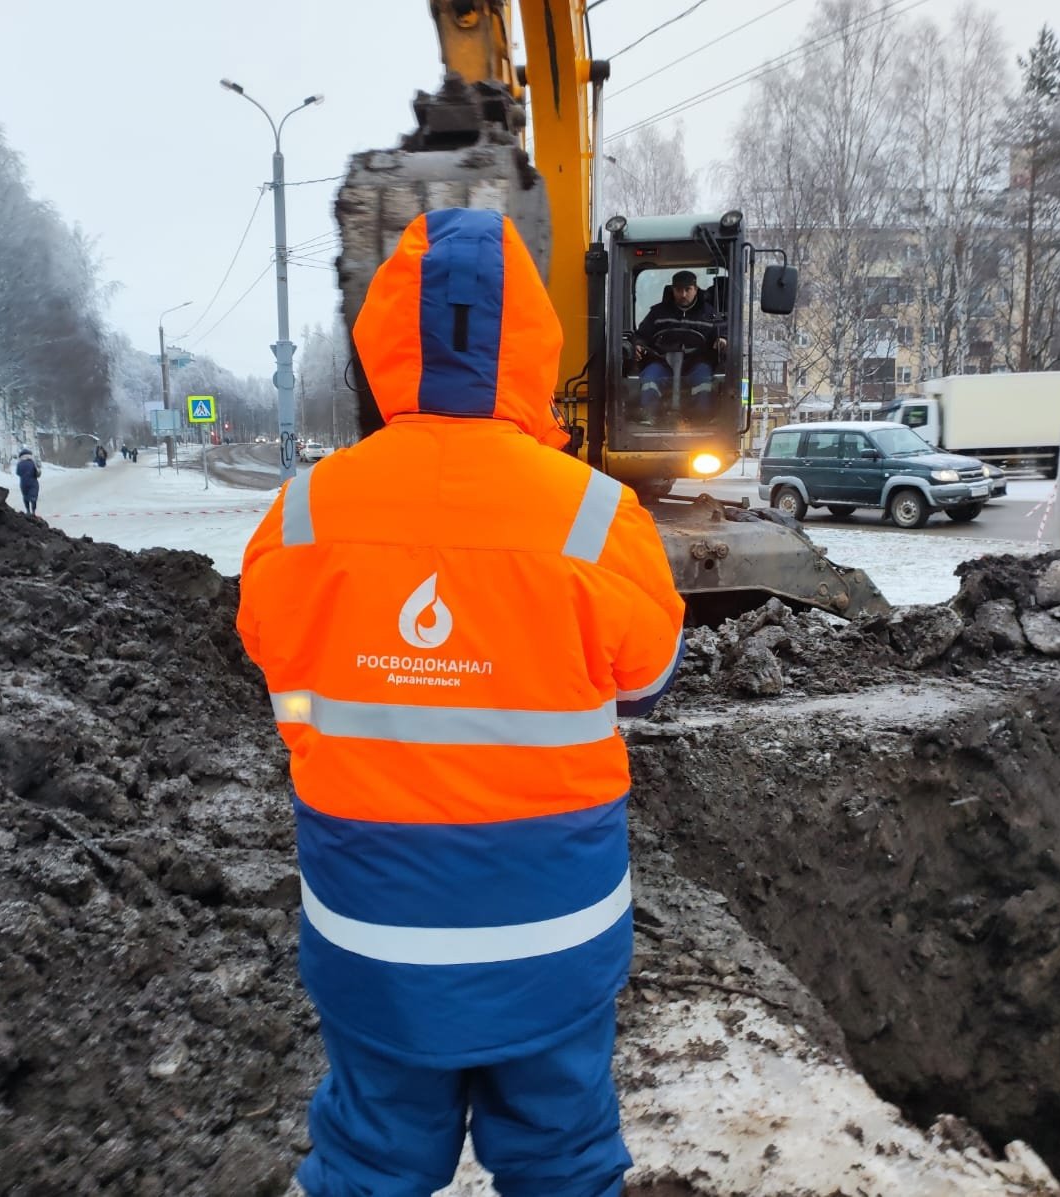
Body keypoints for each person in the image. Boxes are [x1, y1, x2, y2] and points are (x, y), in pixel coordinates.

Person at [238, 208, 684, 1197]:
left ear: (382, 345)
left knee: (370, 1156)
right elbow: (647, 681)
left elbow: (272, 653)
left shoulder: (305, 512)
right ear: (530, 341)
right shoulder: (597, 515)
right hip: (554, 939)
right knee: (562, 1158)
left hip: (370, 934)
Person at [634, 269, 727, 425]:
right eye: (678, 290)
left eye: (687, 290)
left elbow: (723, 330)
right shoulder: (658, 313)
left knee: (703, 378)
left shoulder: (710, 314)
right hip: (663, 363)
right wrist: (638, 345)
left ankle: (701, 420)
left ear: (695, 289)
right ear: (672, 290)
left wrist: (723, 338)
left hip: (696, 363)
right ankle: (650, 417)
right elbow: (642, 335)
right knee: (650, 377)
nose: (683, 294)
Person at [14, 448, 41, 516]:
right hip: (33, 482)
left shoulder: (19, 464)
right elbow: (37, 473)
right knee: (33, 497)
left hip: (23, 483)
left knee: (25, 496)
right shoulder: (32, 463)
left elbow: (18, 473)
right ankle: (33, 512)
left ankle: (28, 510)